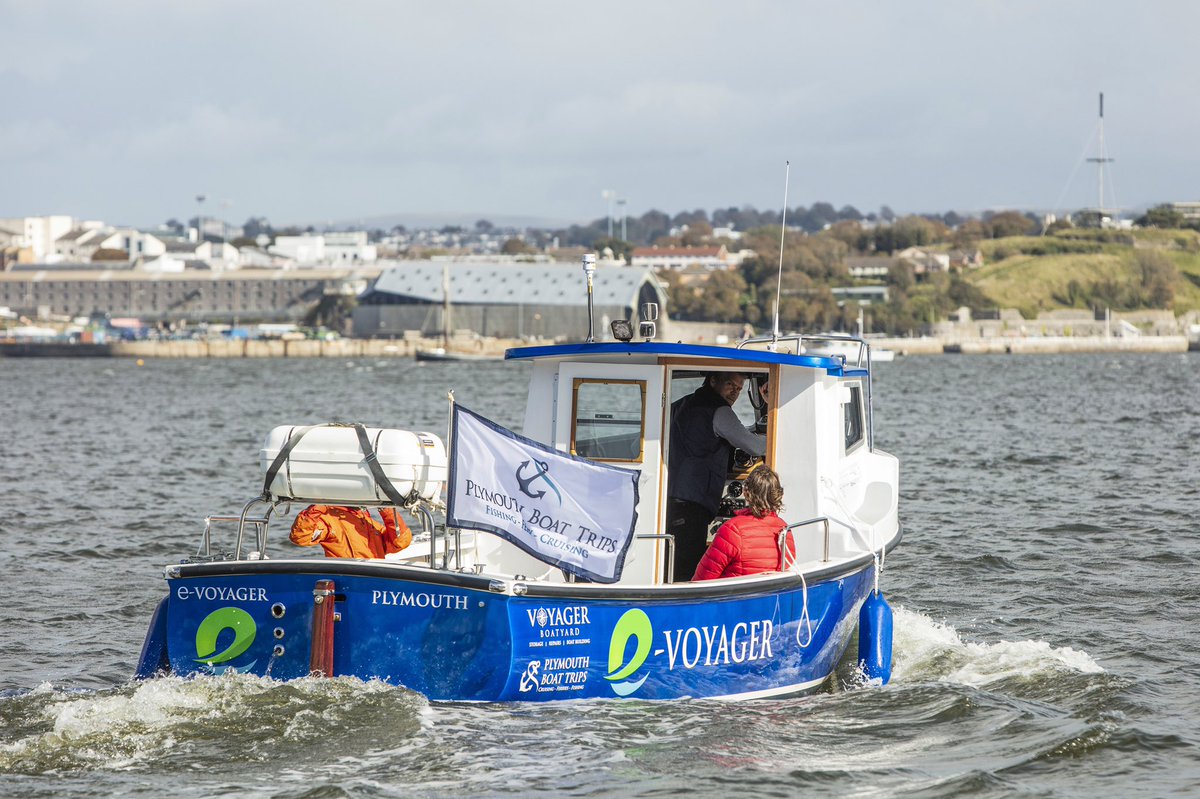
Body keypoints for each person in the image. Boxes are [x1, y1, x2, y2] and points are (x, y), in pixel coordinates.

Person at [666, 372, 766, 581]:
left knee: (669, 563)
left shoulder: (678, 405)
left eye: (739, 389)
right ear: (713, 381)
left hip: (668, 498)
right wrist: (770, 411)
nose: (735, 392)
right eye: (730, 384)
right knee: (688, 570)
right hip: (694, 503)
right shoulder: (720, 411)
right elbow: (755, 446)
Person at [693, 464, 794, 580]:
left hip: (735, 596)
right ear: (777, 495)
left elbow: (702, 579)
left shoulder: (732, 529)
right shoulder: (785, 531)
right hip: (769, 595)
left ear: (746, 493)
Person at [289, 505, 413, 559]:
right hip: (346, 582)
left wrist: (386, 509)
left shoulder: (368, 521)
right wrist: (320, 505)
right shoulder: (329, 519)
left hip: (374, 581)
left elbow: (400, 542)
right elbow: (300, 537)